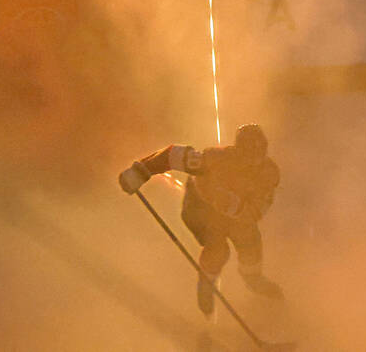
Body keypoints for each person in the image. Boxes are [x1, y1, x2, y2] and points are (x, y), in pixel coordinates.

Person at [118, 124, 283, 316]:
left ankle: (253, 278)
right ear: (238, 151)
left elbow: (257, 210)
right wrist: (141, 171)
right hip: (199, 208)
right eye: (246, 156)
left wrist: (235, 207)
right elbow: (173, 155)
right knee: (218, 248)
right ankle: (207, 282)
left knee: (250, 240)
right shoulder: (215, 160)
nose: (251, 163)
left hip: (235, 214)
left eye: (257, 155)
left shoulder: (268, 174)